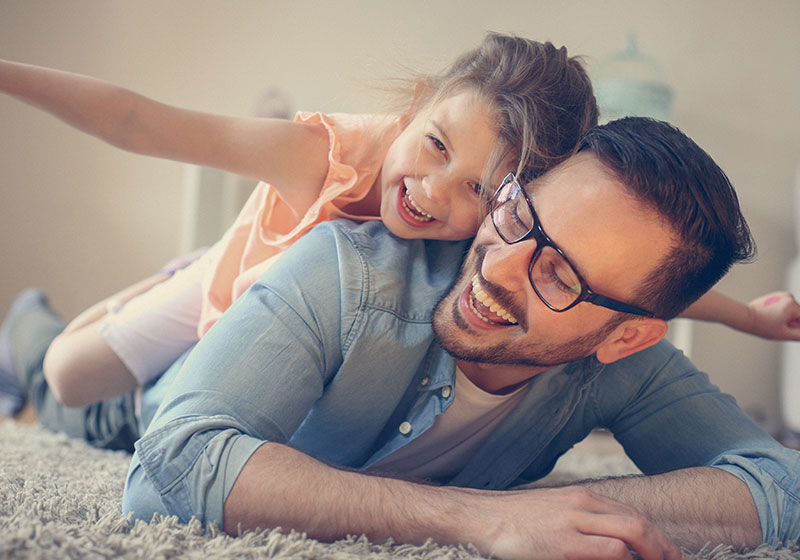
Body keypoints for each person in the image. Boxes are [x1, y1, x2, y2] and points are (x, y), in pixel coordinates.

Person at [4, 117, 797, 558]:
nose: (502, 265)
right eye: (519, 214)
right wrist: (480, 517)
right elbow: (169, 471)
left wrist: (581, 507)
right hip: (146, 398)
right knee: (49, 373)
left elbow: (781, 485)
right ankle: (28, 317)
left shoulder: (631, 367)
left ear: (627, 336)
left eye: (560, 276)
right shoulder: (352, 273)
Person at [2, 34, 800, 419]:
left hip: (271, 325)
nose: (430, 192)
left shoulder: (500, 236)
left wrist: (749, 316)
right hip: (231, 282)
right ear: (416, 104)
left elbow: (611, 285)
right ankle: (32, 324)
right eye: (435, 145)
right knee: (71, 380)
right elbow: (139, 121)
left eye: (477, 191)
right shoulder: (323, 154)